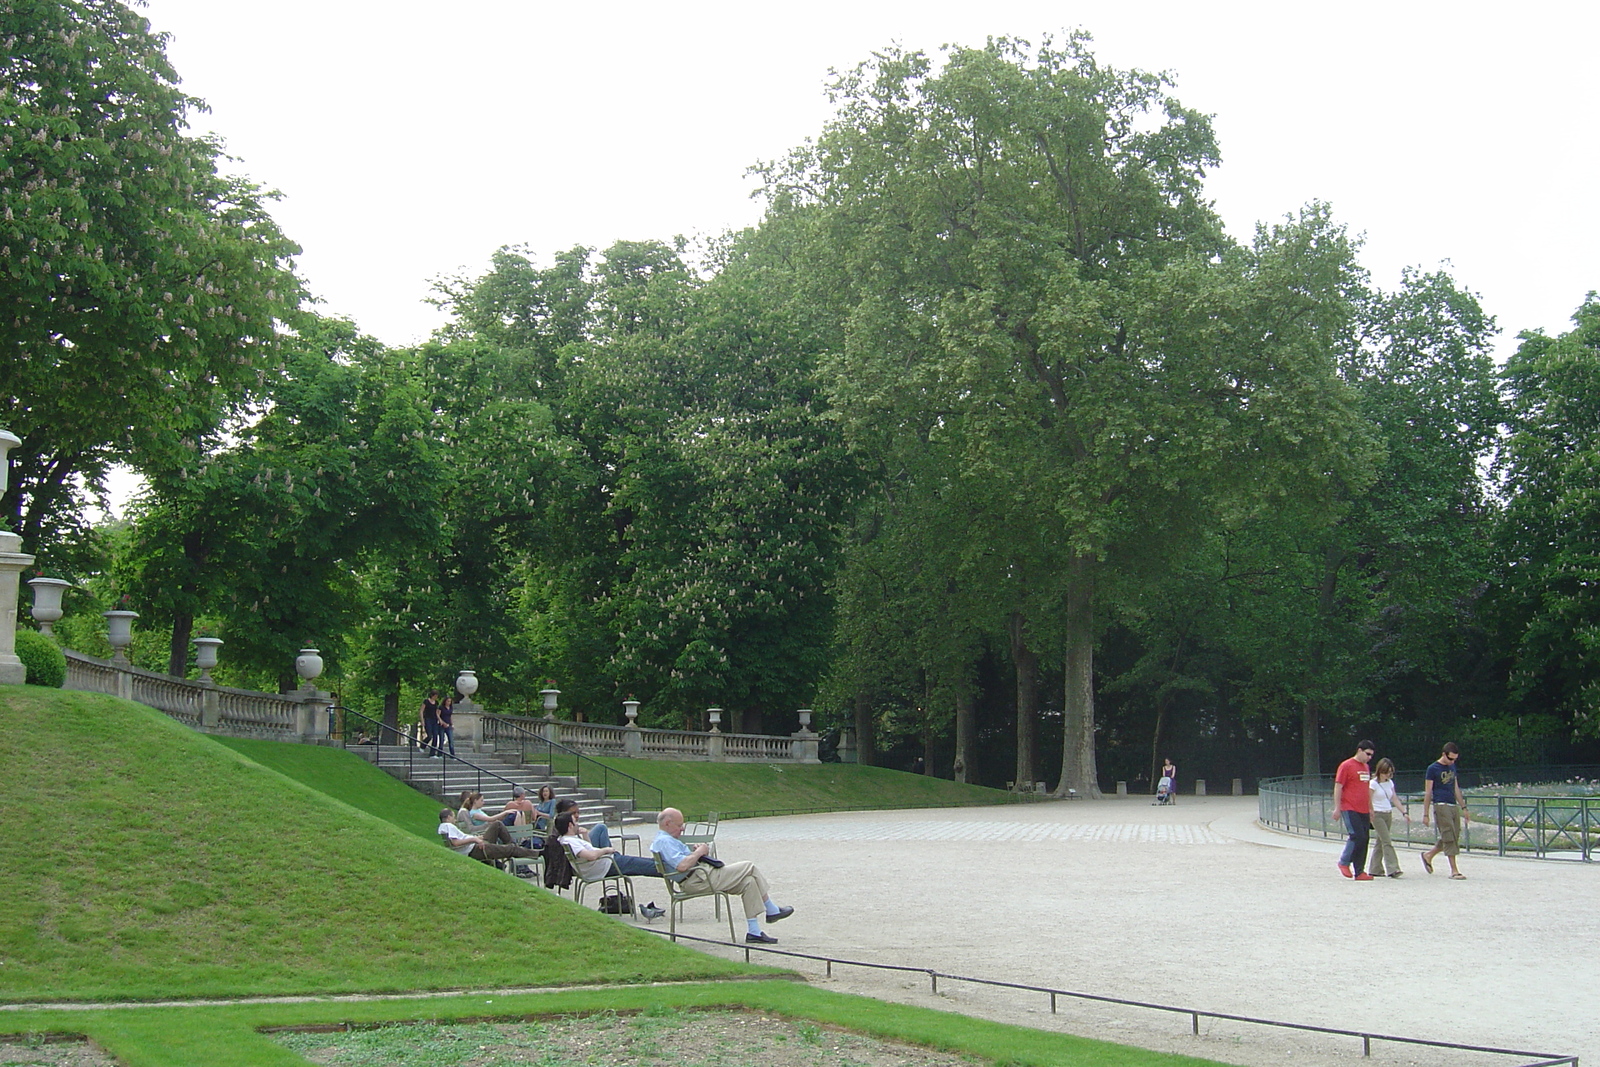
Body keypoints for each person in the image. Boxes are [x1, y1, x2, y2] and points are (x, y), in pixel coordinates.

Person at [652, 806, 792, 944]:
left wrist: (697, 851)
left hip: (700, 877)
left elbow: (683, 860)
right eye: (679, 825)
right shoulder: (664, 841)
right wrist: (699, 852)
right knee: (749, 866)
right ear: (667, 823)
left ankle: (754, 932)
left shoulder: (665, 840)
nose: (682, 829)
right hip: (699, 880)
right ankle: (772, 909)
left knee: (749, 882)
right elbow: (681, 866)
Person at [553, 799, 657, 876]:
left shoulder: (567, 838)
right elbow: (591, 856)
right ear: (570, 825)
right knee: (640, 865)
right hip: (605, 865)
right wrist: (606, 850)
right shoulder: (570, 841)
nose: (577, 823)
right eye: (575, 822)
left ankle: (662, 865)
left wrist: (585, 835)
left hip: (604, 862)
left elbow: (589, 849)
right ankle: (667, 869)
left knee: (641, 862)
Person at [1422, 742, 1470, 878]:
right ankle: (1454, 870)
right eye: (1450, 758)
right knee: (1449, 836)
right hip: (1440, 804)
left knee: (1454, 835)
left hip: (1452, 804)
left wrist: (1464, 807)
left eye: (1455, 759)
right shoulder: (1433, 769)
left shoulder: (1452, 767)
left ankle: (1429, 855)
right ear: (1443, 754)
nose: (1452, 761)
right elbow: (1428, 792)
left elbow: (1456, 788)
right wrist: (1426, 814)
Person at [1332, 740, 1375, 880]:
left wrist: (1370, 807)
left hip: (1363, 808)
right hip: (1349, 806)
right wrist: (1337, 808)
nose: (1369, 758)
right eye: (1367, 754)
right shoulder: (1346, 765)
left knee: (1365, 838)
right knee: (1357, 835)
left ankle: (1360, 871)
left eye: (1371, 756)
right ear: (1359, 750)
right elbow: (1338, 786)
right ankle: (1344, 862)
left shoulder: (1366, 767)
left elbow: (1366, 788)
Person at [436, 808, 539, 866]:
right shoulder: (448, 826)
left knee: (497, 825)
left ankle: (513, 848)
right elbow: (456, 843)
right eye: (453, 816)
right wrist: (475, 839)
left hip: (476, 844)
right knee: (511, 849)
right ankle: (537, 854)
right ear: (448, 817)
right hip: (475, 850)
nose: (455, 819)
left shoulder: (444, 827)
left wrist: (477, 837)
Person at [1366, 757, 1409, 877]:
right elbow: (1368, 799)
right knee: (1386, 841)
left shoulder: (1390, 783)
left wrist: (1404, 812)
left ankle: (1375, 868)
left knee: (1380, 841)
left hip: (1387, 813)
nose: (1388, 775)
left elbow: (1394, 798)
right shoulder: (1373, 784)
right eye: (1386, 772)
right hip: (1377, 814)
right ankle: (1393, 868)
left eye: (1390, 772)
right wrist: (1370, 812)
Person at [419, 690, 441, 757]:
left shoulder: (436, 702)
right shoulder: (426, 701)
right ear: (432, 695)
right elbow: (421, 711)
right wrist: (422, 720)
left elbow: (437, 712)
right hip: (427, 719)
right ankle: (422, 746)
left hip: (434, 720)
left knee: (435, 736)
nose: (436, 697)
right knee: (429, 735)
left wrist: (439, 719)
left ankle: (432, 753)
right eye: (435, 696)